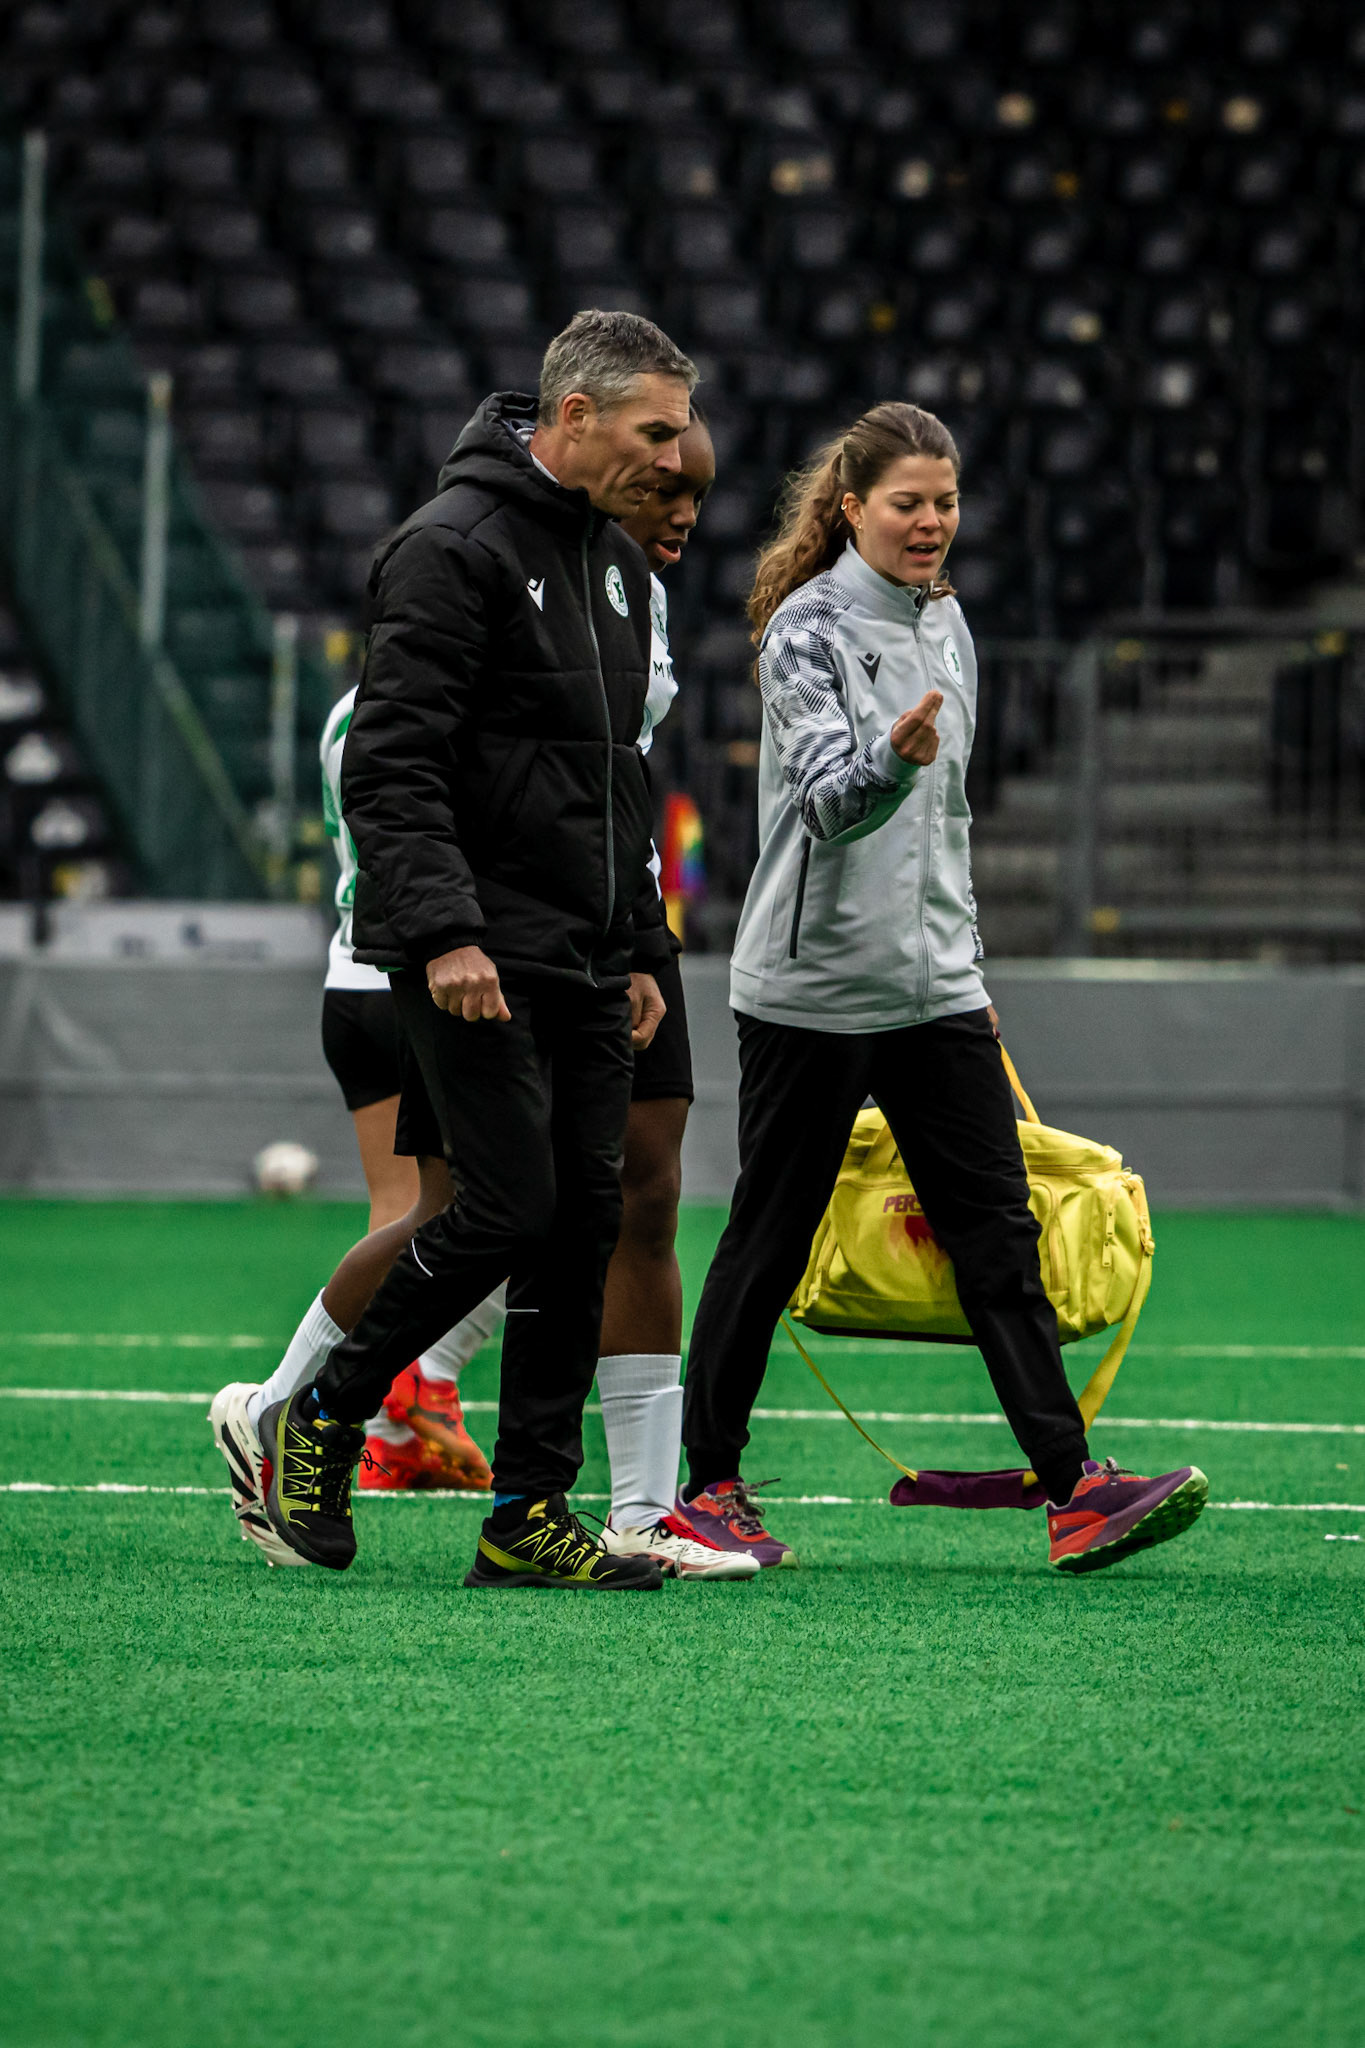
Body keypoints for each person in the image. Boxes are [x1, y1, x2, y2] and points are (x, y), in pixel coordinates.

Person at [667, 401, 1209, 1577]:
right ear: (852, 506)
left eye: (946, 502)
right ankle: (702, 1485)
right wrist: (891, 761)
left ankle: (1073, 1489)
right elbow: (823, 801)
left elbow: (949, 831)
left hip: (937, 992)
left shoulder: (950, 626)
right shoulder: (805, 630)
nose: (931, 522)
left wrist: (970, 966)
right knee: (770, 1234)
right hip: (811, 990)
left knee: (999, 1236)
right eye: (908, 502)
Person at [206, 408, 749, 1576]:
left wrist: (646, 946)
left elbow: (619, 784)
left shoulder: (615, 571)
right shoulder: (451, 548)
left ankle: (528, 1514)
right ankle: (324, 1410)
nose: (674, 477)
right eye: (657, 439)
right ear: (576, 415)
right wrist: (449, 932)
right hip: (475, 949)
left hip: (591, 946)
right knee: (498, 1212)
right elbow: (393, 764)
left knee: (580, 1221)